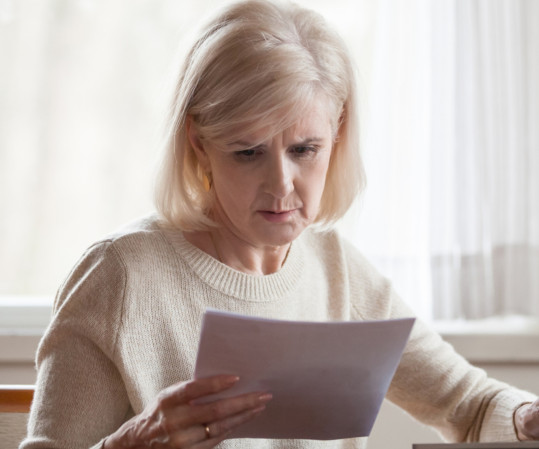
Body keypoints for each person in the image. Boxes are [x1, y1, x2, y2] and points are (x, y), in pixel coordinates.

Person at [20, 1, 539, 448]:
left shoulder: (337, 270)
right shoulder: (120, 276)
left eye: (304, 150)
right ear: (199, 143)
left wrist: (524, 416)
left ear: (337, 135)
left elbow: (469, 405)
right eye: (248, 152)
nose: (282, 184)